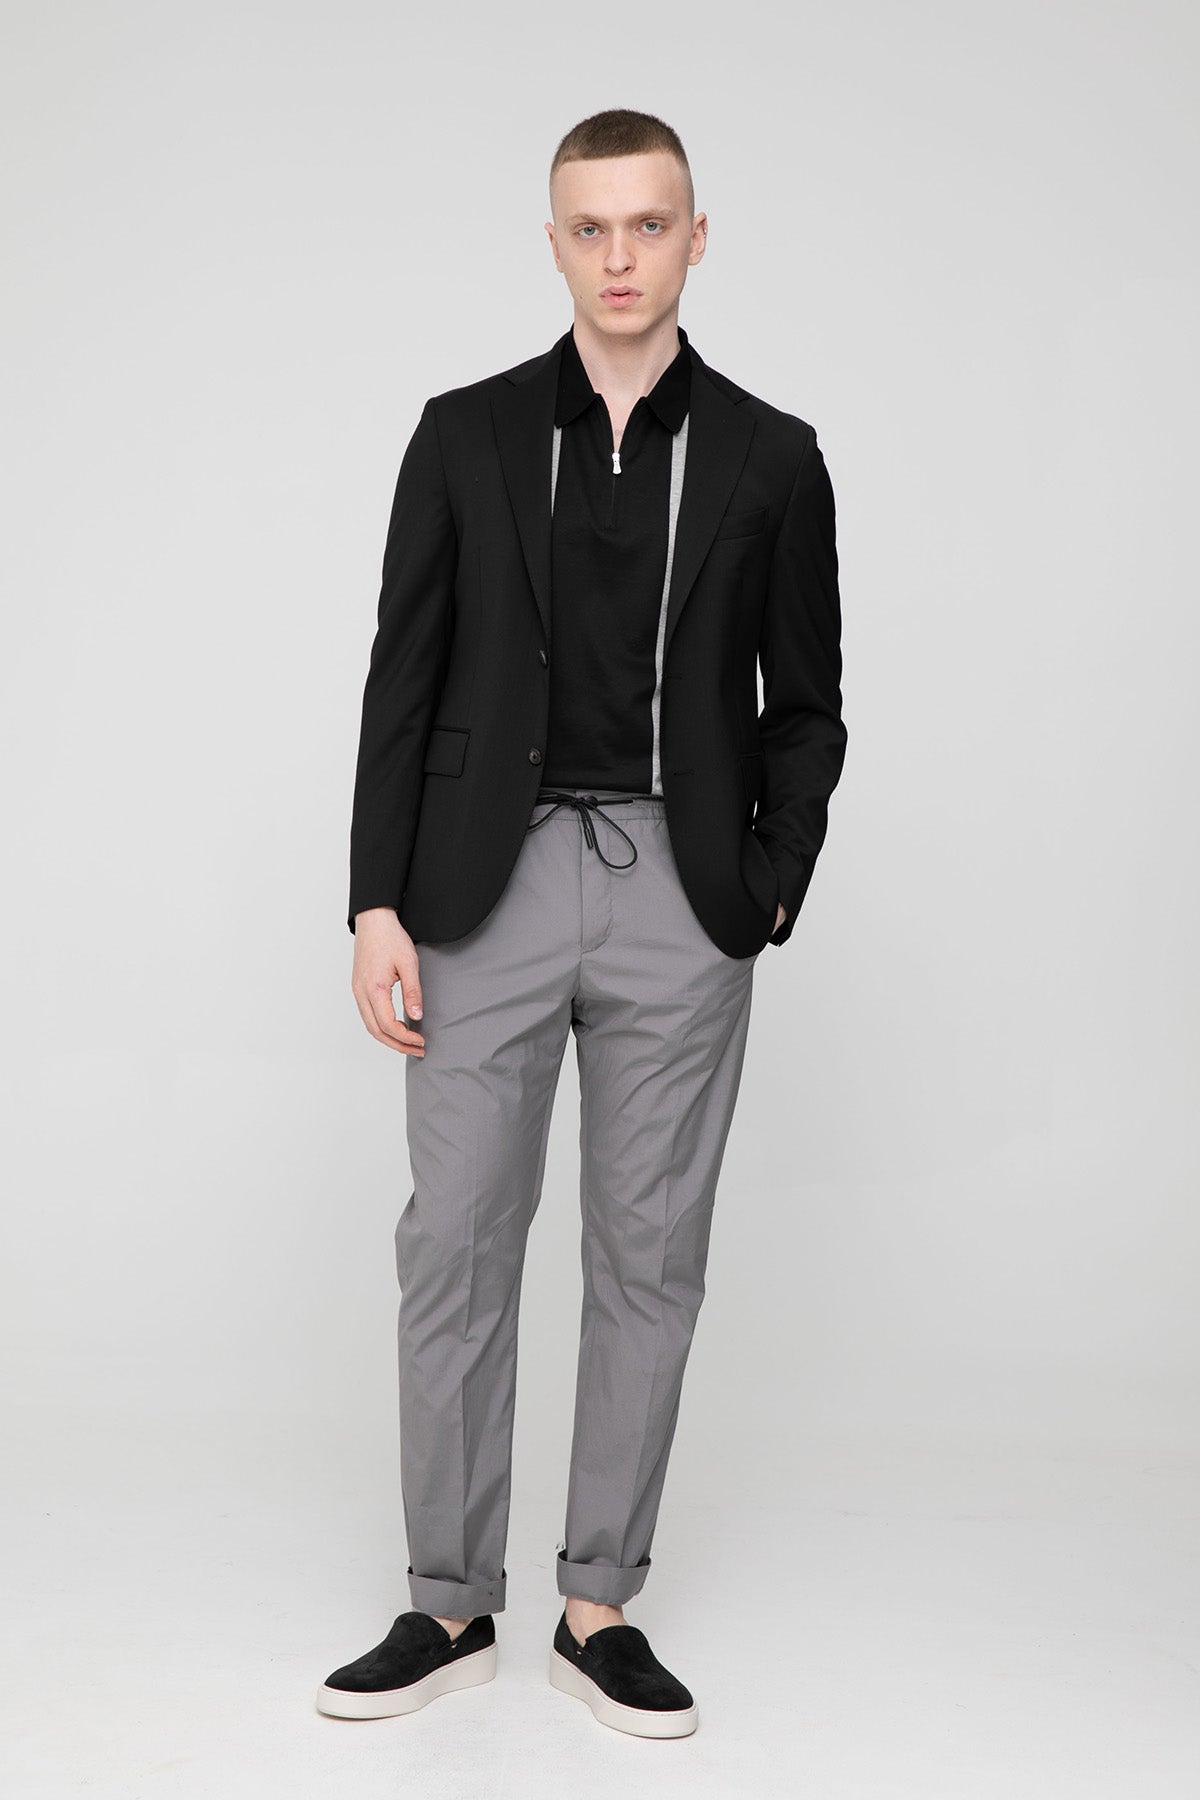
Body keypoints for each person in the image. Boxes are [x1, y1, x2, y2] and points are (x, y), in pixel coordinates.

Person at [316, 107, 847, 1739]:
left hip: (683, 892)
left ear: (698, 238)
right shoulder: (464, 435)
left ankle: (598, 1604)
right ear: (552, 243)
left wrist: (766, 885)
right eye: (591, 228)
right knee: (455, 1241)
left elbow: (806, 704)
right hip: (483, 883)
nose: (621, 257)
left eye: (649, 224)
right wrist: (376, 899)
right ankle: (446, 1604)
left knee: (649, 1255)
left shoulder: (770, 455)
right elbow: (402, 676)